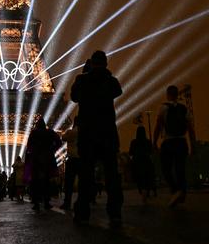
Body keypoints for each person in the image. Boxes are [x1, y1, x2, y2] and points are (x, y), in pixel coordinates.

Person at [71, 50, 123, 224]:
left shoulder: (82, 79)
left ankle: (83, 211)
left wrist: (86, 74)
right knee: (111, 174)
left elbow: (73, 97)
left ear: (91, 63)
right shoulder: (111, 81)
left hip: (88, 134)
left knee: (86, 173)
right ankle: (115, 212)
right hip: (107, 133)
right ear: (106, 63)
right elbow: (118, 91)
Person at [153, 85, 193, 208]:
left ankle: (175, 190)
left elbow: (158, 126)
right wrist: (193, 144)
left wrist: (154, 142)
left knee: (166, 168)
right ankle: (182, 191)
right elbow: (190, 128)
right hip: (181, 142)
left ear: (168, 94)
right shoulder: (184, 108)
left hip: (168, 141)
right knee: (180, 168)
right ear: (177, 94)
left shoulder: (163, 108)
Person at [24, 119, 59, 211]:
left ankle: (36, 203)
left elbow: (29, 147)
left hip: (36, 159)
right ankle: (47, 202)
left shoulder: (33, 133)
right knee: (47, 181)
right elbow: (59, 142)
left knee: (35, 182)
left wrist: (28, 161)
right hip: (48, 159)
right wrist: (52, 149)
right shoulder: (50, 132)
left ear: (36, 125)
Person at [60, 116, 81, 210]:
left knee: (69, 183)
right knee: (83, 181)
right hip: (82, 159)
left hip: (72, 159)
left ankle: (67, 202)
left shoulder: (71, 132)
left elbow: (63, 137)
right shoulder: (85, 131)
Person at [129, 126, 154, 200]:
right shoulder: (148, 142)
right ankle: (146, 191)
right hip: (146, 161)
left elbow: (131, 152)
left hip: (137, 162)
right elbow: (150, 152)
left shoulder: (133, 142)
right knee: (147, 177)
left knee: (139, 178)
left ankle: (141, 191)